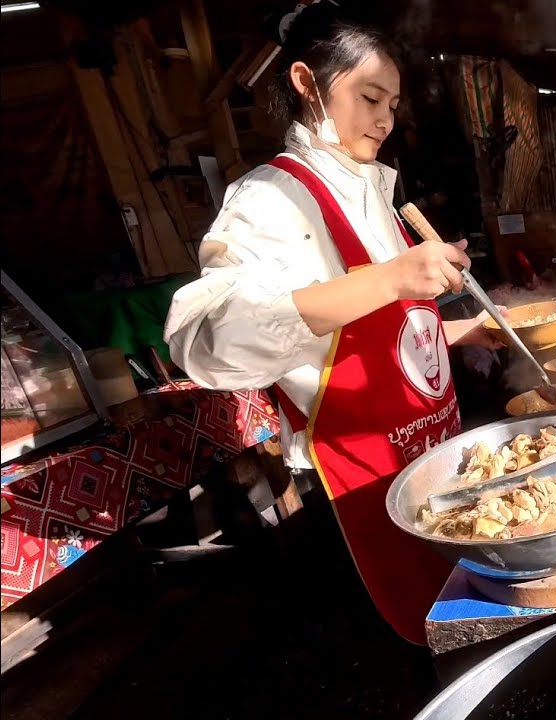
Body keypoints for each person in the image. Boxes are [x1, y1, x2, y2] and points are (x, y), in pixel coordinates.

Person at [164, 5, 500, 644]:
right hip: (355, 488)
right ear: (306, 82)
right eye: (369, 96)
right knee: (413, 645)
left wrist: (465, 331)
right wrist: (391, 278)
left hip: (435, 466)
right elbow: (203, 342)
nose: (384, 119)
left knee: (464, 624)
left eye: (393, 105)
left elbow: (384, 339)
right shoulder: (272, 198)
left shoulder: (376, 194)